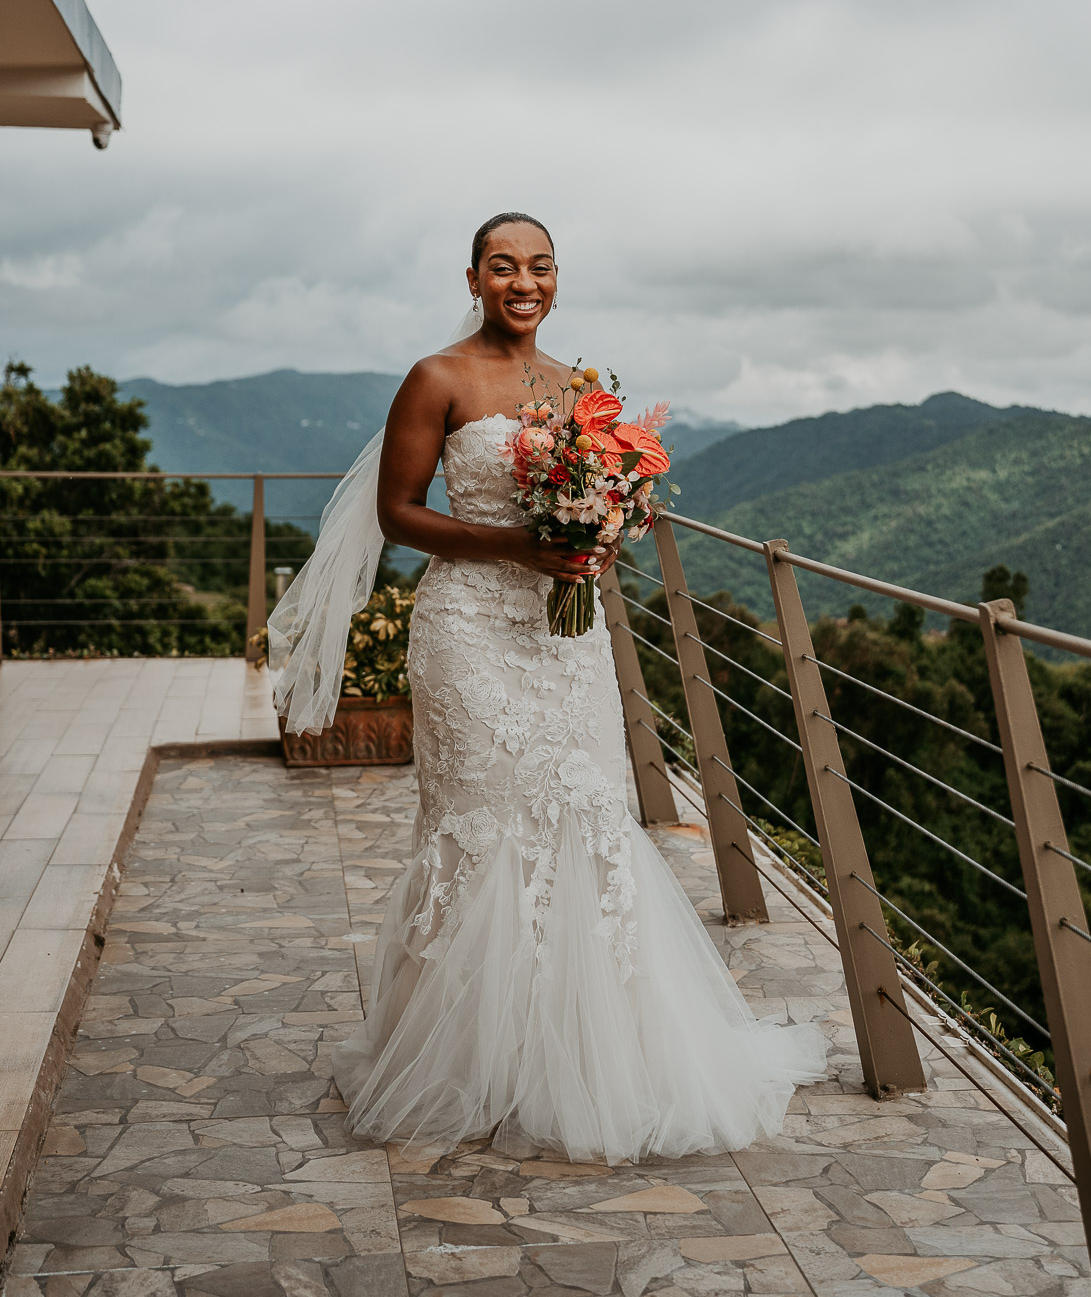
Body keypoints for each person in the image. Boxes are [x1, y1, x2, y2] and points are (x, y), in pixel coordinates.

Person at [272, 211, 826, 1163]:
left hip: (565, 639)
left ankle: (589, 1054)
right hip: (469, 632)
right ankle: (465, 1057)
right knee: (482, 824)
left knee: (586, 818)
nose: (522, 282)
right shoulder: (438, 378)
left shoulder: (580, 390)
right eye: (502, 266)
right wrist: (518, 545)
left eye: (539, 266)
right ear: (475, 278)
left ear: (557, 279)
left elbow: (607, 503)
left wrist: (597, 533)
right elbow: (397, 516)